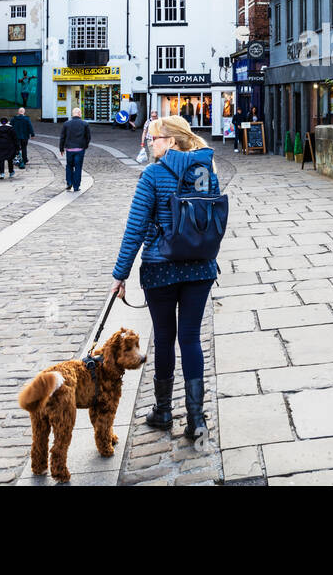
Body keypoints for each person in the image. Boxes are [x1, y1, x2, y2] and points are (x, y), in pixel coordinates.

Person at [110, 115, 219, 440]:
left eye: (155, 138)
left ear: (171, 141)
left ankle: (163, 411)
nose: (149, 142)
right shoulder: (206, 171)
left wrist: (120, 274)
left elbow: (136, 229)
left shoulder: (154, 175)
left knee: (164, 338)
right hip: (200, 266)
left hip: (160, 267)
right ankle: (196, 419)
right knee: (190, 338)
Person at [58, 107, 91, 192]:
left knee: (69, 166)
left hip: (69, 149)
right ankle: (76, 186)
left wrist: (61, 148)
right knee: (78, 167)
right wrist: (85, 145)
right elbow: (88, 137)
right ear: (80, 113)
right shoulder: (85, 124)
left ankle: (69, 182)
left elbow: (62, 137)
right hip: (80, 149)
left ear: (72, 114)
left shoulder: (66, 124)